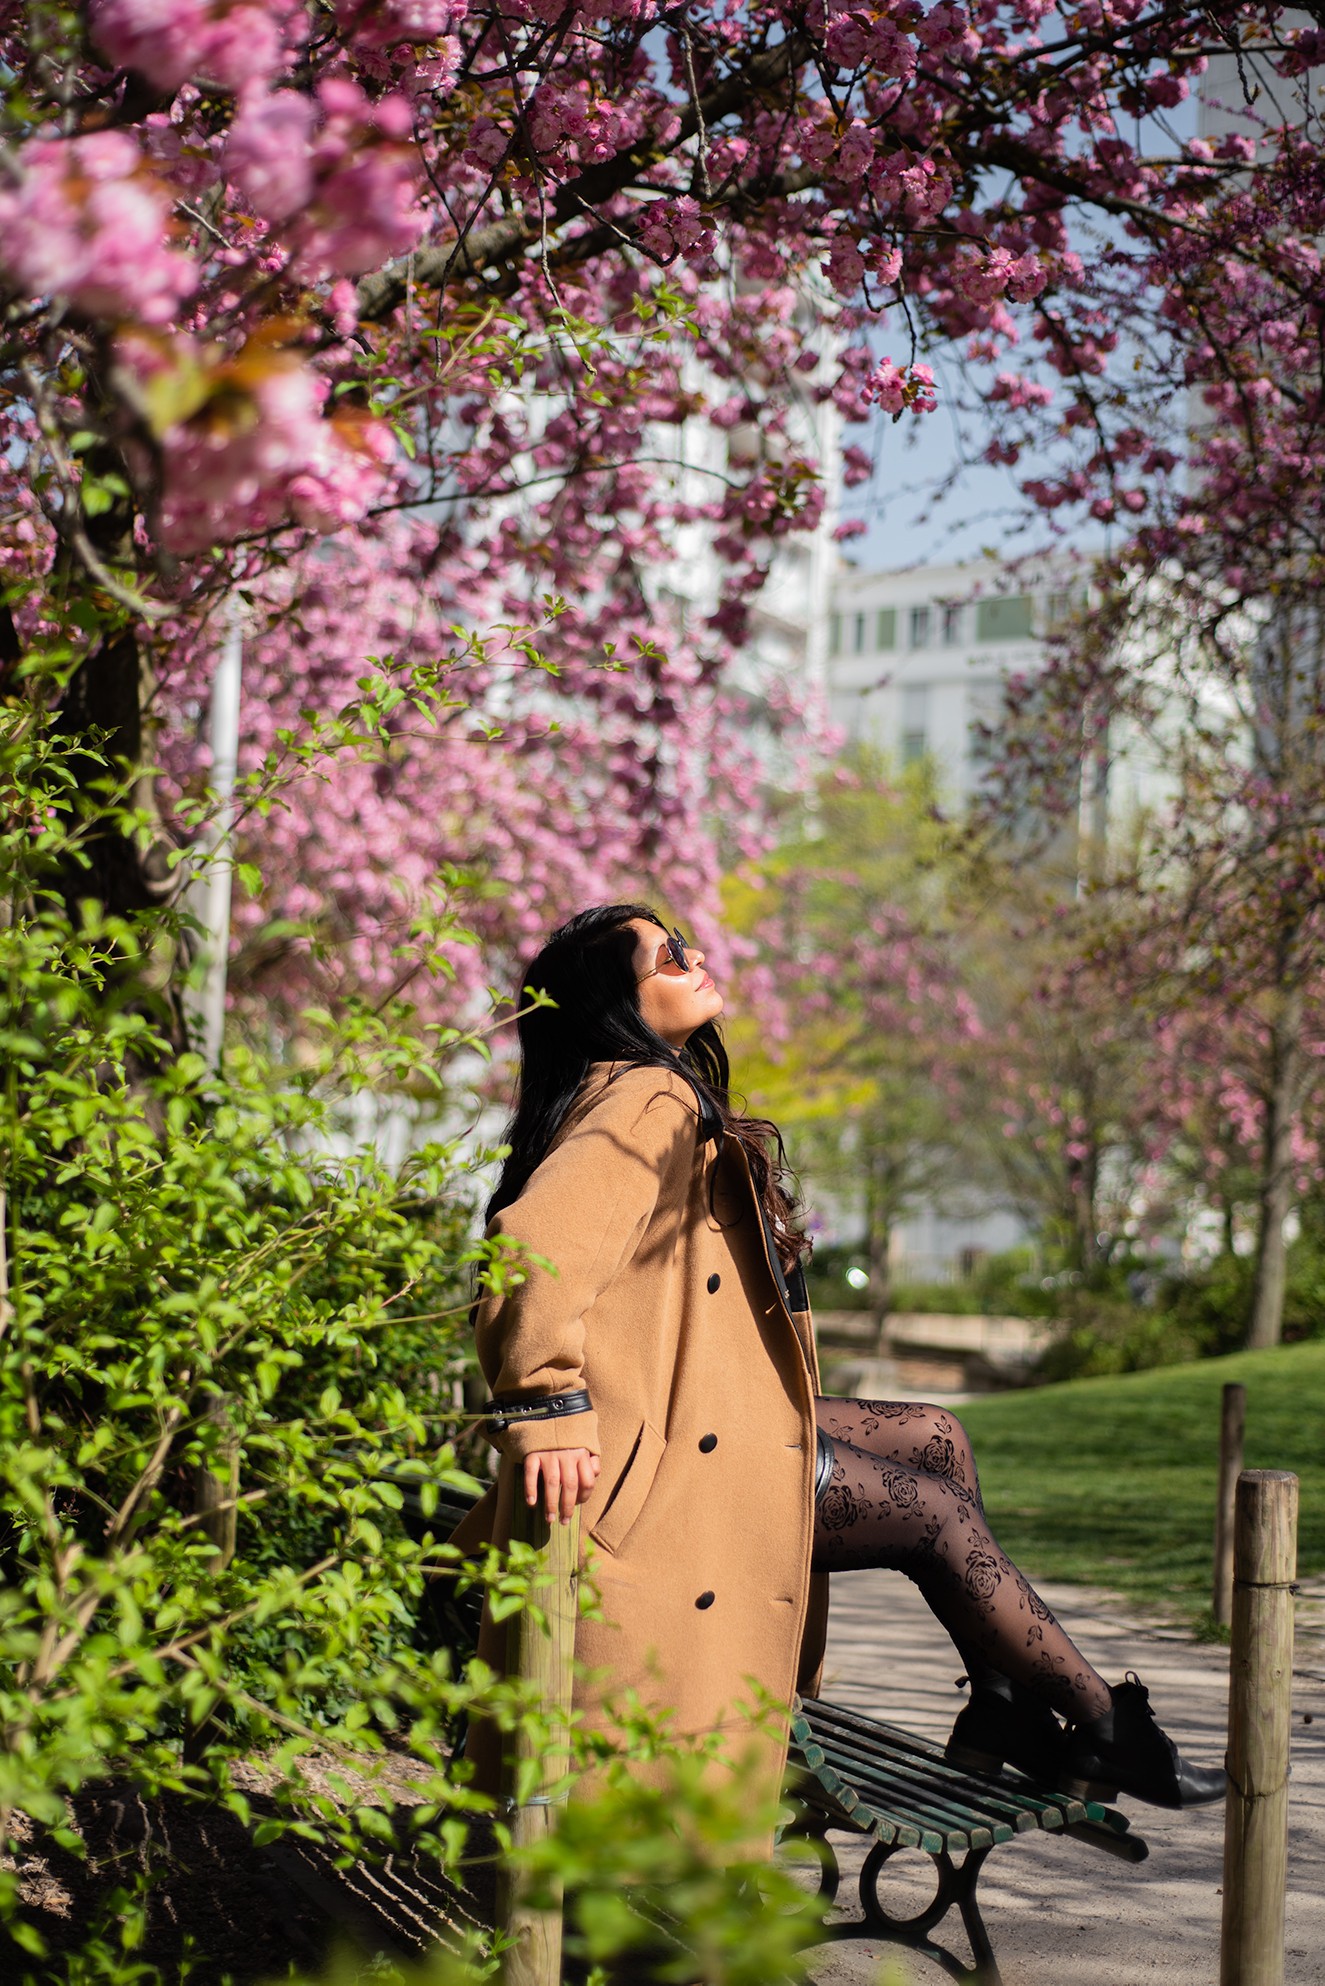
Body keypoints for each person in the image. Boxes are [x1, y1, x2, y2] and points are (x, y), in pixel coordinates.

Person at [453, 903, 1225, 1815]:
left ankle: (1003, 1708)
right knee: (933, 1518)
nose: (694, 959)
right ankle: (1104, 1728)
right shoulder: (645, 1097)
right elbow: (529, 1254)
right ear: (612, 1003)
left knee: (935, 1438)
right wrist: (545, 1409)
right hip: (669, 1468)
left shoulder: (636, 1093)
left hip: (702, 1423)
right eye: (667, 957)